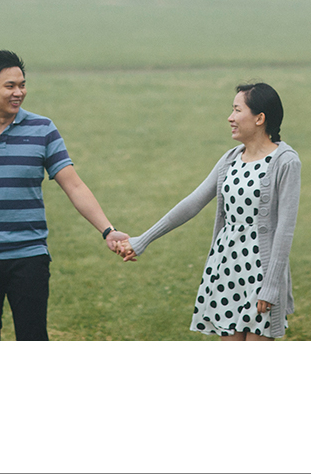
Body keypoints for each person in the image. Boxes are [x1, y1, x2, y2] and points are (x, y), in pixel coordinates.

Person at [0, 49, 134, 340]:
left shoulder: (43, 129)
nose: (19, 92)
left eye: (22, 85)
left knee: (33, 338)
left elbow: (74, 185)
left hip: (29, 258)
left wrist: (107, 230)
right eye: (10, 86)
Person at [127, 83, 299, 340]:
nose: (230, 118)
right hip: (227, 267)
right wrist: (142, 240)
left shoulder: (286, 162)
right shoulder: (230, 159)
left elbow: (285, 230)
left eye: (237, 110)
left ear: (260, 118)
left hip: (260, 274)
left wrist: (271, 286)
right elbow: (192, 203)